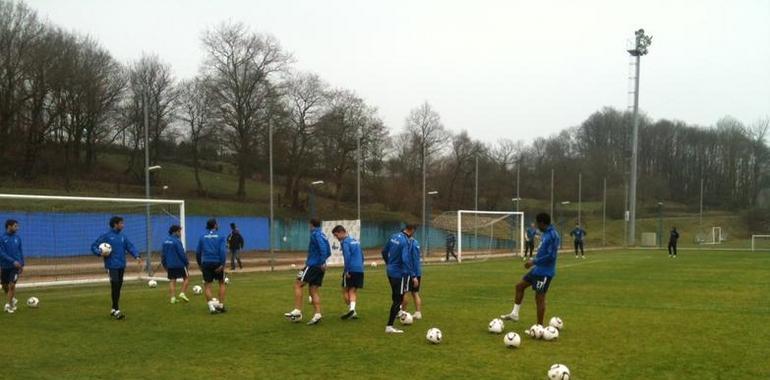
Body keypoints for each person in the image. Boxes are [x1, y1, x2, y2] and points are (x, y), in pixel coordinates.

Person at [500, 212, 559, 326]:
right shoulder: (545, 233)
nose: (537, 226)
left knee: (539, 297)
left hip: (545, 272)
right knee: (519, 286)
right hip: (537, 270)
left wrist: (533, 261)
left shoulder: (553, 235)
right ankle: (515, 314)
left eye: (537, 224)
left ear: (542, 223)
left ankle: (539, 326)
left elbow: (551, 256)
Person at [91, 216, 141, 320]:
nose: (123, 225)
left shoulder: (123, 236)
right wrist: (99, 252)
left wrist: (137, 256)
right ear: (115, 224)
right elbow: (94, 246)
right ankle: (117, 310)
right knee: (115, 284)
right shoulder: (106, 236)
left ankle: (113, 308)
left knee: (118, 287)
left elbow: (130, 246)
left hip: (121, 265)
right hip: (111, 266)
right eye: (121, 223)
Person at [284, 218, 331, 325]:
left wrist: (321, 261)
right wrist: (323, 262)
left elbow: (323, 248)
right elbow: (328, 251)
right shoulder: (323, 234)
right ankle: (317, 314)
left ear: (311, 225)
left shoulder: (315, 234)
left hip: (313, 265)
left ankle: (297, 311)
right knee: (313, 290)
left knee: (297, 284)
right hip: (319, 266)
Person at [381, 224, 418, 334]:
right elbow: (405, 259)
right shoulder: (406, 241)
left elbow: (384, 251)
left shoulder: (393, 236)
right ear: (411, 230)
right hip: (399, 274)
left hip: (390, 271)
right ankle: (389, 326)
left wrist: (388, 263)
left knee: (396, 296)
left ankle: (399, 313)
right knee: (398, 299)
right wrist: (413, 276)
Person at [196, 218, 227, 314]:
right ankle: (221, 306)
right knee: (221, 283)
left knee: (207, 286)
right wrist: (222, 264)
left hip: (206, 262)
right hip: (217, 262)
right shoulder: (221, 236)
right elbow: (222, 251)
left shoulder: (202, 236)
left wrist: (200, 264)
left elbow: (198, 252)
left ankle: (211, 308)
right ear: (215, 225)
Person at [332, 225, 363, 320]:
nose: (336, 238)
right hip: (359, 269)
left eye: (336, 235)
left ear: (341, 232)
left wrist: (347, 270)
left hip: (351, 269)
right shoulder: (355, 241)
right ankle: (353, 310)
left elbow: (347, 256)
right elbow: (362, 255)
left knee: (345, 290)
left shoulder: (345, 242)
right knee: (353, 290)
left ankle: (352, 310)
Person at [162, 225, 190, 304]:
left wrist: (164, 264)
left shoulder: (165, 241)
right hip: (179, 264)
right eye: (179, 231)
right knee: (186, 278)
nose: (180, 233)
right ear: (175, 232)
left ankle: (173, 298)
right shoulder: (177, 241)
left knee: (172, 281)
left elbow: (163, 255)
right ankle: (182, 293)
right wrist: (186, 262)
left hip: (170, 265)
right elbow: (181, 253)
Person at [0, 219, 23, 314]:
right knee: (4, 286)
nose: (17, 228)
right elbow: (1, 253)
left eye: (17, 226)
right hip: (5, 266)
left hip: (16, 267)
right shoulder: (1, 238)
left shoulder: (18, 238)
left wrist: (22, 264)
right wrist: (12, 261)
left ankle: (8, 306)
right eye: (15, 226)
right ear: (9, 226)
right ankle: (12, 299)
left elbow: (20, 251)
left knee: (12, 285)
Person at [401, 234, 423, 320]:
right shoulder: (416, 242)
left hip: (411, 273)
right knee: (415, 293)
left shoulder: (410, 244)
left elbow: (409, 260)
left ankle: (403, 313)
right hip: (418, 272)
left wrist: (413, 275)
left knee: (406, 292)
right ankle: (418, 313)